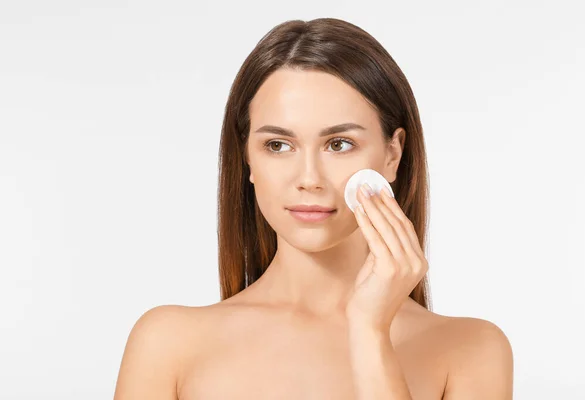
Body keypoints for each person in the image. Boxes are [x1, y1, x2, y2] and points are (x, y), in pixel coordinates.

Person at [113, 17, 513, 399]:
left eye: (338, 144)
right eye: (278, 145)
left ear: (393, 154)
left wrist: (370, 332)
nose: (309, 177)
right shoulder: (167, 343)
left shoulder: (471, 350)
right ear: (248, 159)